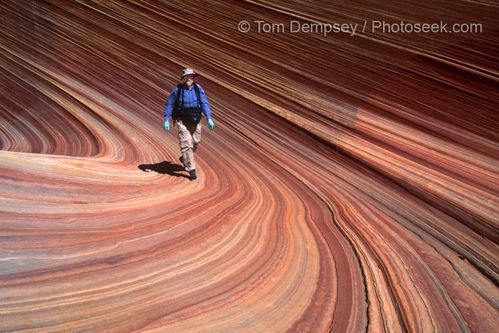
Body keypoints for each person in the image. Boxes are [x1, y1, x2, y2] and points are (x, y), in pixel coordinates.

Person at [163, 68, 215, 180]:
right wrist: (166, 119)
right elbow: (170, 104)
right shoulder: (177, 90)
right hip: (182, 120)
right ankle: (191, 169)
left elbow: (204, 102)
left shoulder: (198, 88)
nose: (189, 78)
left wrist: (209, 118)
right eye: (186, 77)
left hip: (195, 120)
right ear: (183, 78)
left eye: (191, 76)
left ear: (193, 77)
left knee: (196, 142)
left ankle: (185, 158)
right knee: (187, 143)